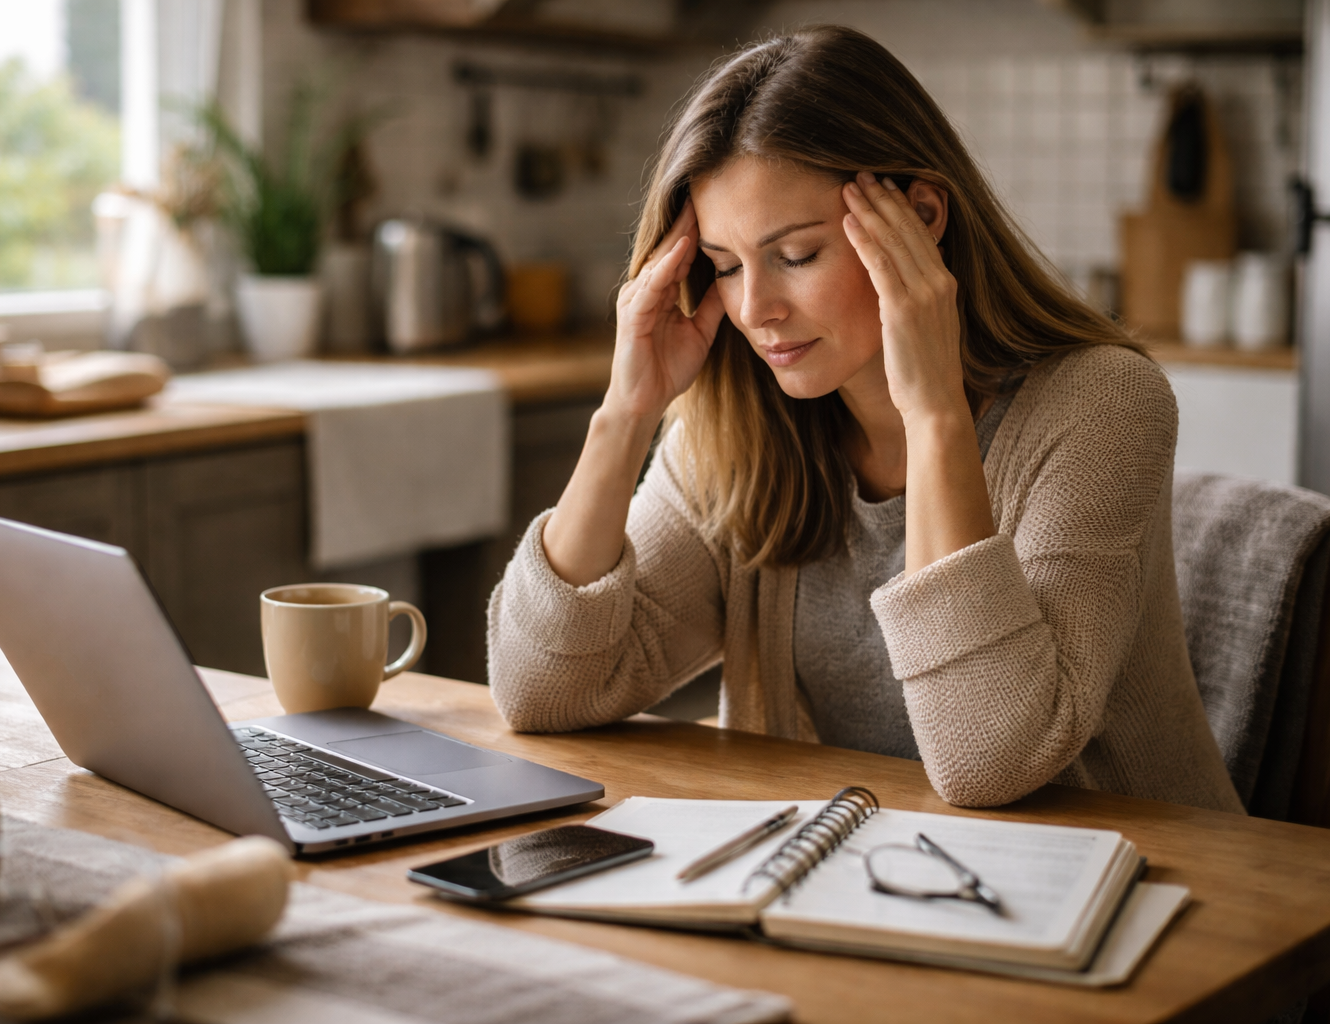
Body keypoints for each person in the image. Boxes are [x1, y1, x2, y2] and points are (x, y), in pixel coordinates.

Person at [486, 25, 1242, 813]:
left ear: (919, 214)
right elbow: (541, 692)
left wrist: (936, 414)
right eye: (725, 265)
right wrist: (627, 413)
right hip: (867, 885)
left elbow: (992, 761)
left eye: (797, 255)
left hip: (1139, 889)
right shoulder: (738, 430)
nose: (756, 309)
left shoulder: (1103, 405)